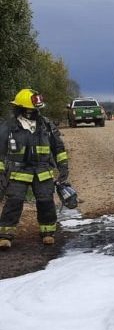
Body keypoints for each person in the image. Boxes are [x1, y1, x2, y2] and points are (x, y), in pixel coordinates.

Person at [0, 89, 70, 248]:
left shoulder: (46, 125)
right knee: (14, 202)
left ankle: (48, 232)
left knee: (46, 201)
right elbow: (0, 150)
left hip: (42, 171)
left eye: (36, 109)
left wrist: (63, 166)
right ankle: (5, 235)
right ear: (20, 108)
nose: (33, 112)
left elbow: (58, 147)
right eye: (30, 109)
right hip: (18, 171)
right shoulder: (9, 126)